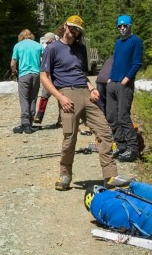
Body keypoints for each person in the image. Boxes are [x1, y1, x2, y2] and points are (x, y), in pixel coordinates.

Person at [39, 15, 130, 191]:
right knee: (70, 136)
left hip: (85, 92)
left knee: (104, 131)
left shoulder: (80, 49)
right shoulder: (52, 48)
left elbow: (80, 73)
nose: (73, 32)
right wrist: (60, 97)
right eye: (72, 28)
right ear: (65, 26)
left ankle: (110, 176)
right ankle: (65, 175)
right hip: (66, 93)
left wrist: (92, 88)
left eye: (77, 30)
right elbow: (44, 76)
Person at [106, 15, 143, 162]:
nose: (122, 28)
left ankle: (132, 149)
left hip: (124, 84)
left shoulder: (136, 41)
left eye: (124, 26)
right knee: (111, 116)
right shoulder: (118, 42)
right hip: (113, 83)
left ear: (130, 26)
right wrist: (110, 78)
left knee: (123, 116)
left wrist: (126, 79)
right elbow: (115, 62)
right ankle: (121, 146)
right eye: (119, 26)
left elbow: (137, 63)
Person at [10, 29, 43, 134]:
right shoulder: (38, 46)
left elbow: (12, 63)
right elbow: (46, 59)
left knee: (24, 98)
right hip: (36, 74)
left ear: (21, 36)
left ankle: (25, 124)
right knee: (33, 98)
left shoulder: (18, 46)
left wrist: (14, 71)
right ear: (31, 36)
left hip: (24, 75)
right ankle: (30, 122)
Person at [33, 32, 60, 127]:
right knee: (45, 96)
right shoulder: (49, 49)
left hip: (56, 76)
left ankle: (61, 119)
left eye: (49, 42)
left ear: (53, 39)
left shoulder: (53, 49)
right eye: (47, 42)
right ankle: (39, 116)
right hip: (49, 76)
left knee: (59, 98)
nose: (48, 44)